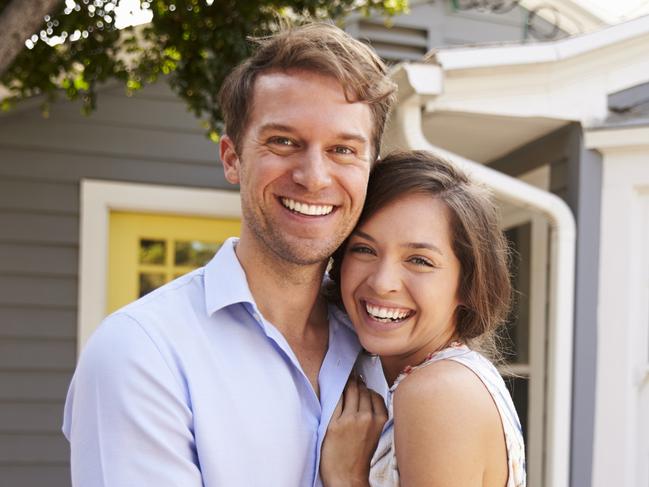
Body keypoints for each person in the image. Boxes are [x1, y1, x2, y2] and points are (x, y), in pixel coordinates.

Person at [62, 23, 396, 486]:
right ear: (232, 158)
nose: (314, 176)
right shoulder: (143, 354)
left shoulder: (384, 344)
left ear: (369, 173)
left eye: (343, 150)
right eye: (283, 141)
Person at [321, 151, 526, 487]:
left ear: (468, 283)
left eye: (419, 260)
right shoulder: (427, 379)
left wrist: (346, 477)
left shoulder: (438, 392)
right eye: (364, 249)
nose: (382, 282)